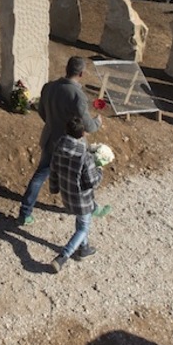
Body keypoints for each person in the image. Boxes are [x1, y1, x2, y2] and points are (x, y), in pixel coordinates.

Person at [18, 56, 102, 226]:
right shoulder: (78, 96)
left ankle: (25, 212)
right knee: (81, 176)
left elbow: (42, 112)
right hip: (70, 145)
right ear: (82, 73)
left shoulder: (49, 87)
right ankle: (91, 207)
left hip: (49, 138)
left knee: (40, 175)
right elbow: (88, 126)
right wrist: (98, 121)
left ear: (67, 68)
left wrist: (52, 124)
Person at [47, 116, 109, 272]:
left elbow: (53, 169)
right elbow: (92, 181)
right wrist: (100, 169)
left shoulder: (59, 146)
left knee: (81, 221)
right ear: (82, 134)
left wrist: (54, 188)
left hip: (66, 195)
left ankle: (84, 248)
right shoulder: (84, 155)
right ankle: (62, 257)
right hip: (82, 199)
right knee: (83, 228)